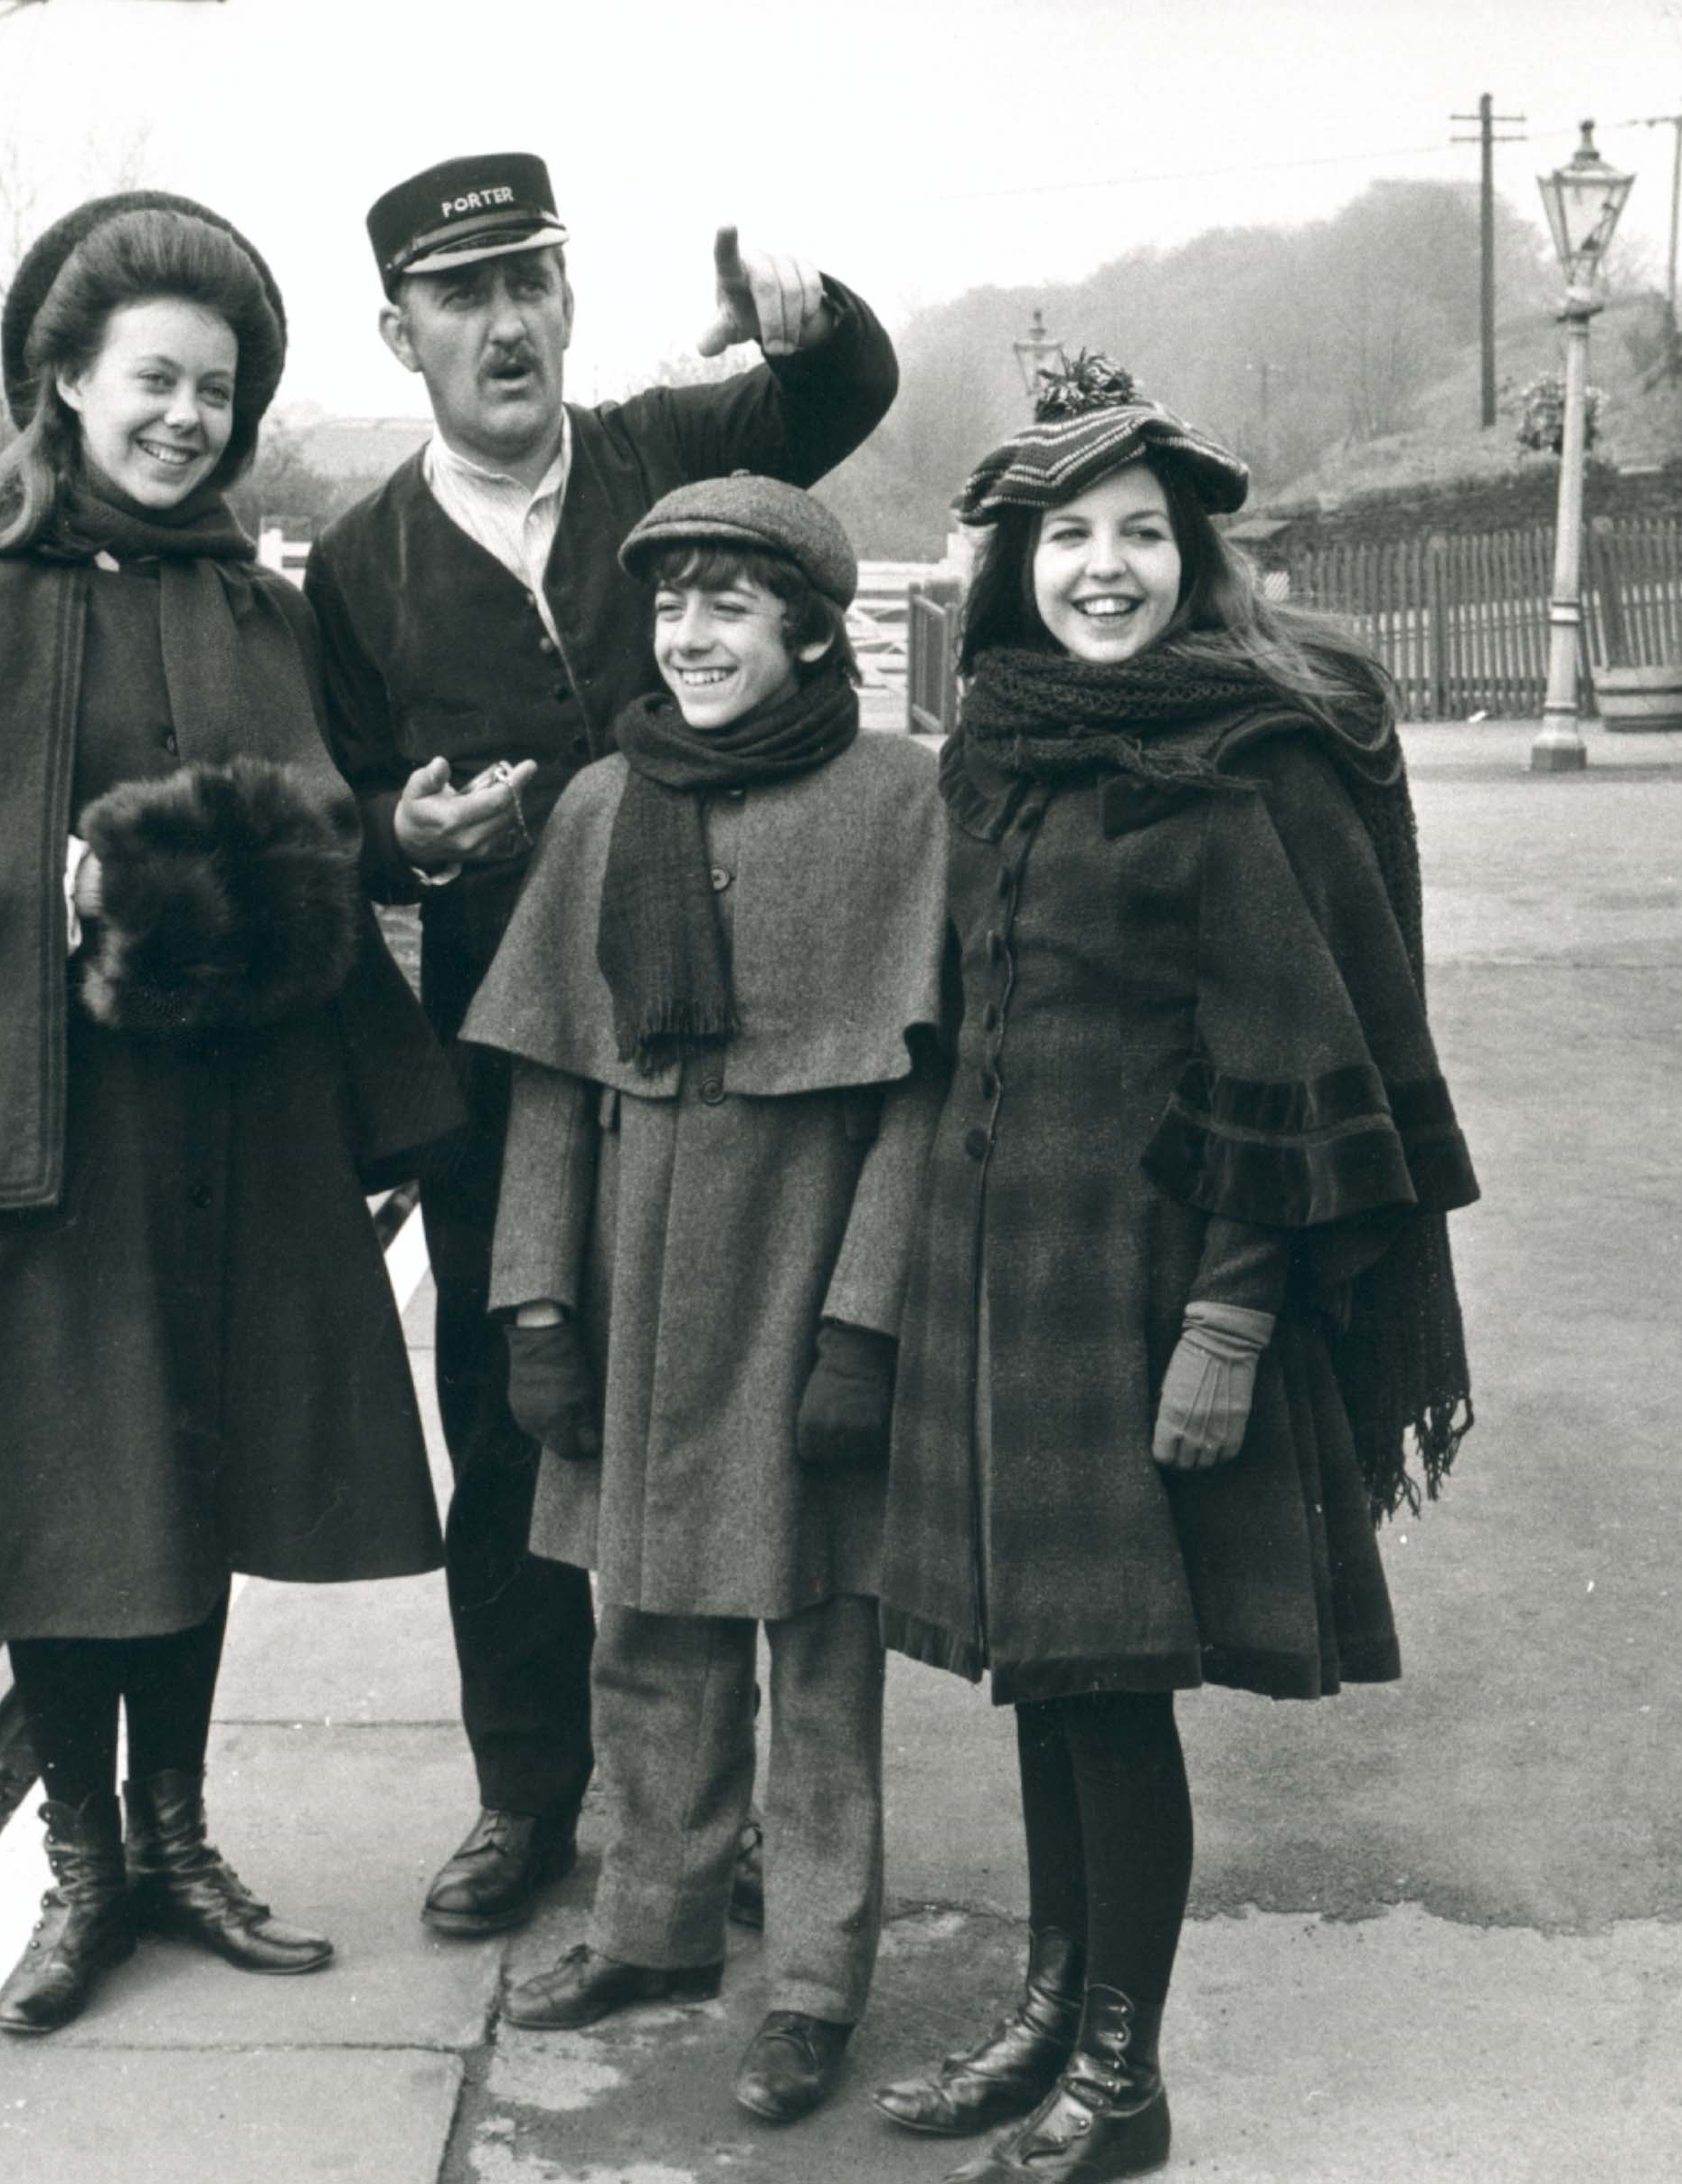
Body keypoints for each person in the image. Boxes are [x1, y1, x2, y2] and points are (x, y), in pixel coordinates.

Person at [0, 194, 460, 2037]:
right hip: (40, 1132)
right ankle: (84, 1856)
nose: (187, 420)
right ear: (64, 380)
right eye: (154, 379)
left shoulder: (254, 603)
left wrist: (341, 866)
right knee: (68, 1499)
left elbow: (317, 828)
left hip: (231, 1137)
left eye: (218, 391)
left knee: (195, 1474)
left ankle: (177, 1833)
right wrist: (66, 887)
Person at [869, 356, 1479, 2182]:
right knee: (1046, 1675)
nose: (1106, 568)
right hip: (1006, 1285)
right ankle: (1057, 2014)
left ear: (1197, 559)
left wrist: (1226, 1323)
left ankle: (1120, 2084)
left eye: (1142, 534)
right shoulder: (1002, 744)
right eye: (1069, 537)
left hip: (1148, 1293)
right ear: (1013, 567)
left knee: (1112, 1684)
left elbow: (1299, 1063)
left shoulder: (1237, 771)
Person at [306, 151, 900, 1942]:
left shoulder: (663, 453)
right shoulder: (357, 560)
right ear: (398, 330)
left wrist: (806, 311)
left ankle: (705, 1812)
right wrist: (399, 839)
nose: (504, 323)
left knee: (719, 1394)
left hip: (734, 1025)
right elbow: (330, 795)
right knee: (511, 1410)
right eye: (461, 296)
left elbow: (841, 392)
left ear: (568, 294)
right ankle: (526, 1788)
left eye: (529, 281)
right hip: (509, 1060)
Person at [463, 478, 947, 2123]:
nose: (693, 638)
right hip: (632, 1280)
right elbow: (543, 1078)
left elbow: (917, 1101)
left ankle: (814, 1975)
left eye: (731, 607)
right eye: (673, 608)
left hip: (802, 1283)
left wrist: (863, 1325)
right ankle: (655, 1924)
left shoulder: (902, 805)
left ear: (811, 627)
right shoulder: (603, 804)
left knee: (818, 1653)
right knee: (648, 1634)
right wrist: (534, 1303)